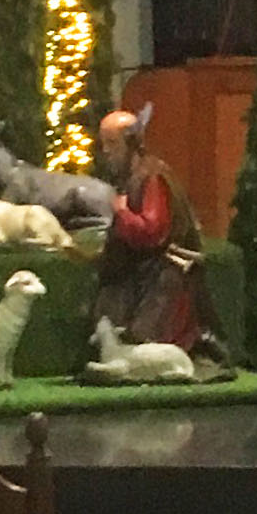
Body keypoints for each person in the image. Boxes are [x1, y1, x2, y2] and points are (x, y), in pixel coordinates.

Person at [93, 107, 229, 371]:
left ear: (131, 144)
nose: (106, 151)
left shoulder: (152, 177)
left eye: (112, 143)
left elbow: (151, 232)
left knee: (140, 342)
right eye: (103, 144)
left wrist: (122, 212)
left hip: (160, 277)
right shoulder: (135, 178)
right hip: (139, 273)